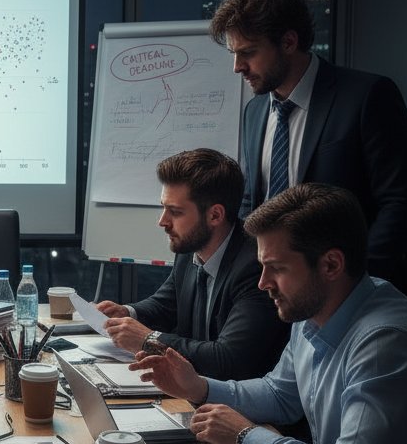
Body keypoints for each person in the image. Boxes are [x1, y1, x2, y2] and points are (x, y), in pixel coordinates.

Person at [132, 182, 407, 444]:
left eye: (276, 268)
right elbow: (281, 395)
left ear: (331, 264)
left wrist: (247, 438)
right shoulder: (314, 307)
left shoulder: (384, 344)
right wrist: (200, 387)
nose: (263, 283)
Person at [208, 0, 407, 280]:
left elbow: (402, 205)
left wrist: (357, 282)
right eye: (233, 53)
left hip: (342, 289)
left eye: (248, 52)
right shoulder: (254, 111)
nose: (237, 67)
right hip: (267, 287)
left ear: (288, 42)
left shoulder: (367, 96)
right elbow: (252, 202)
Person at [98, 149, 288, 380]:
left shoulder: (256, 266)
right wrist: (127, 312)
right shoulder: (191, 247)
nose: (162, 221)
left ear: (215, 215)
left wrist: (149, 341)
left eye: (175, 212)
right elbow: (167, 305)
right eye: (163, 207)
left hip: (239, 406)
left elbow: (229, 359)